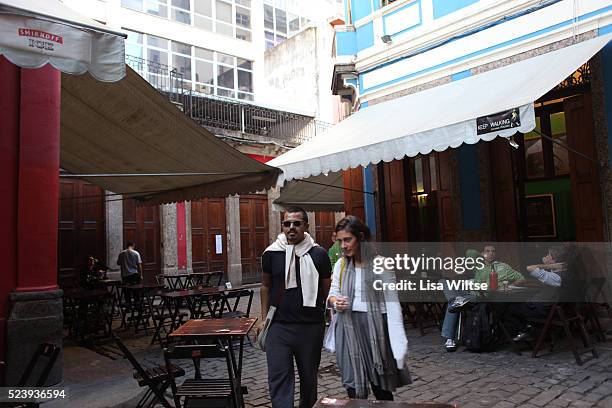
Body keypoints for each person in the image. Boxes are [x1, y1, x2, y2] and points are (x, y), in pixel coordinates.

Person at [327, 216, 411, 400]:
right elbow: (332, 293)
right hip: (347, 328)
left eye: (347, 239)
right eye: (340, 240)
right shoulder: (341, 264)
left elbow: (392, 303)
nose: (343, 245)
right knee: (352, 385)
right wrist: (335, 302)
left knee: (381, 387)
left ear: (361, 237)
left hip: (374, 329)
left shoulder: (381, 264)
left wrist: (398, 342)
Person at [258, 207, 332, 408]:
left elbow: (327, 290)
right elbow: (265, 286)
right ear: (282, 226)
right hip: (278, 327)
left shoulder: (319, 254)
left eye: (296, 223)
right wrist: (264, 318)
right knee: (278, 378)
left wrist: (329, 315)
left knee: (309, 380)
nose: (291, 227)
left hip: (310, 327)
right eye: (287, 223)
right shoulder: (271, 253)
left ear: (306, 226)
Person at [441, 244, 523, 351]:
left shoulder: (502, 267)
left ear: (496, 254)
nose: (490, 253)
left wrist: (506, 285)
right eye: (487, 251)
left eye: (493, 251)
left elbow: (521, 278)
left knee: (452, 304)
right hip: (470, 294)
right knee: (443, 282)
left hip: (482, 297)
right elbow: (469, 252)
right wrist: (482, 254)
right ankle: (456, 300)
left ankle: (449, 339)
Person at [502, 245, 571, 342]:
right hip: (546, 306)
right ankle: (530, 329)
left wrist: (547, 264)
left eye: (548, 255)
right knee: (520, 303)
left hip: (542, 309)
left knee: (508, 309)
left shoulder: (555, 278)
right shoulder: (562, 272)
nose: (546, 256)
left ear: (554, 259)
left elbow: (530, 268)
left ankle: (528, 332)